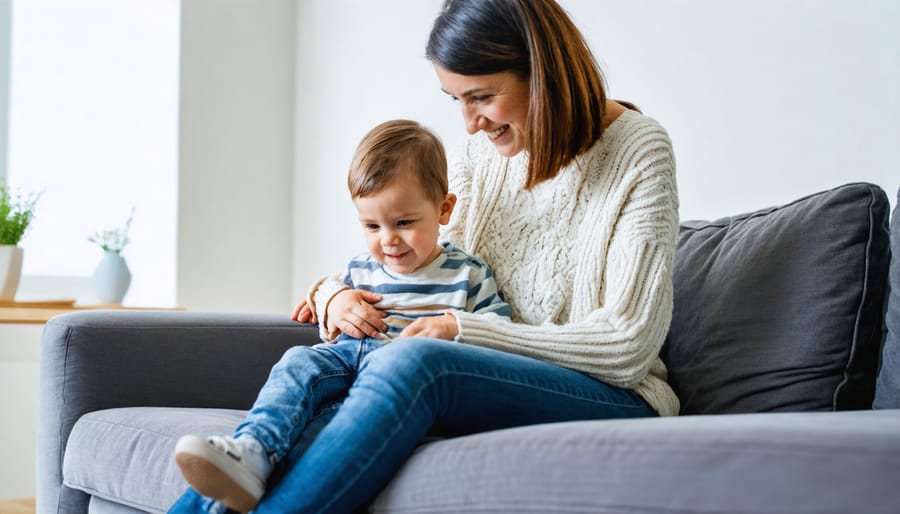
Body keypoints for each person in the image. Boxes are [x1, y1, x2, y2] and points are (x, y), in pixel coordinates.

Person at [169, 0, 679, 512]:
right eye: (456, 98)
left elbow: (627, 344)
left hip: (609, 394)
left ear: (541, 72)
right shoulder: (477, 157)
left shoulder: (639, 149)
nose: (471, 123)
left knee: (416, 362)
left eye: (480, 96)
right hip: (473, 376)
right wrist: (332, 293)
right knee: (304, 423)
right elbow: (406, 257)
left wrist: (460, 330)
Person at [173, 119, 510, 513]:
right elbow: (323, 294)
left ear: (443, 209)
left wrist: (455, 329)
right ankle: (253, 448)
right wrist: (331, 298)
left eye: (404, 223)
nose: (388, 240)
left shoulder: (467, 273)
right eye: (371, 225)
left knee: (316, 435)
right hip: (345, 359)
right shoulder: (360, 266)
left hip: (389, 386)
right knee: (298, 361)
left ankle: (247, 481)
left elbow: (499, 331)